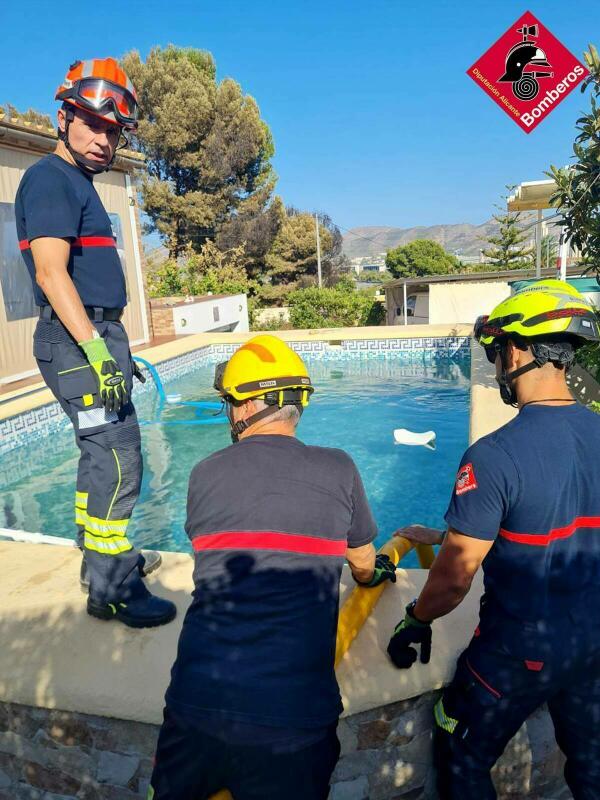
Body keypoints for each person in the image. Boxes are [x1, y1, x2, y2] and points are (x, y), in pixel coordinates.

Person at [148, 335, 397, 800]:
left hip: (196, 707)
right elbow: (363, 563)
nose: (228, 413)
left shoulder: (205, 472)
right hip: (293, 718)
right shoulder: (339, 469)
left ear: (249, 407)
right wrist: (373, 575)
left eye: (229, 403)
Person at [386, 279, 600, 800]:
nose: (497, 365)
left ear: (522, 350)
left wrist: (416, 618)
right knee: (592, 768)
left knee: (460, 750)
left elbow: (454, 579)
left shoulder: (493, 456)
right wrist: (449, 532)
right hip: (592, 644)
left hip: (518, 652)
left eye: (497, 350)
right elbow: (556, 518)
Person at [14, 59, 175, 628]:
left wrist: (113, 345)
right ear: (63, 118)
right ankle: (112, 588)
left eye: (113, 131)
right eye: (93, 125)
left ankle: (105, 558)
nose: (104, 139)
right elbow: (53, 275)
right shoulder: (51, 179)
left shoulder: (76, 183)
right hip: (77, 339)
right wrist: (96, 350)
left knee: (100, 452)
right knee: (116, 456)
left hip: (94, 335)